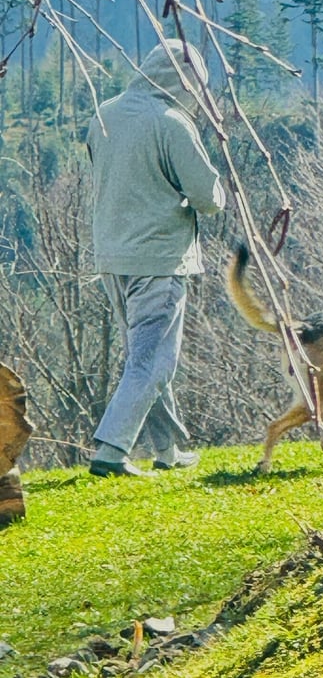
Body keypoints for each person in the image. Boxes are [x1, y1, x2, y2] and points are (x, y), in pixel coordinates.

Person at [86, 39, 226, 477]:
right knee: (153, 361)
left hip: (113, 255)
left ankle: (169, 449)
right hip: (159, 260)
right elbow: (208, 199)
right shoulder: (172, 124)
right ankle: (110, 451)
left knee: (144, 355)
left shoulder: (104, 113)